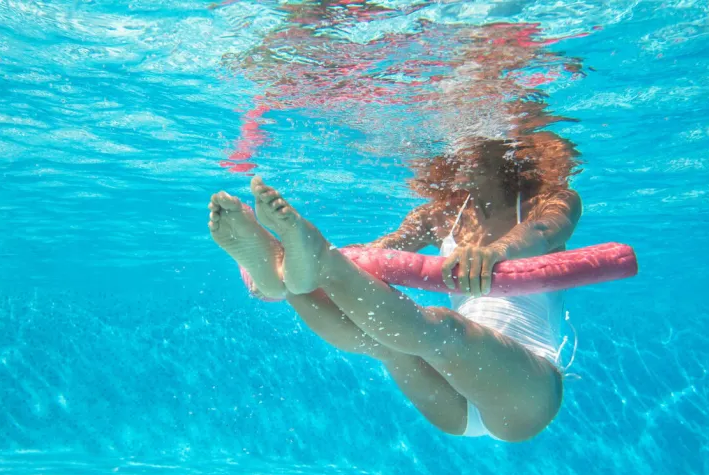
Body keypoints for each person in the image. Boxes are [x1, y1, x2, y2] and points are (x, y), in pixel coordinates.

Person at [209, 133, 582, 442]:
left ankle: (307, 257)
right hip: (452, 405)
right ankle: (285, 275)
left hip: (526, 391)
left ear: (508, 152)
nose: (462, 150)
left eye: (474, 143)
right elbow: (379, 253)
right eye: (458, 145)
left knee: (444, 326)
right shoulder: (438, 214)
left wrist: (498, 251)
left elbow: (544, 230)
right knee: (386, 344)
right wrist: (303, 269)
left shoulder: (547, 200)